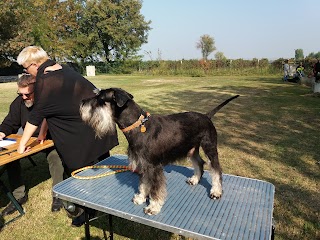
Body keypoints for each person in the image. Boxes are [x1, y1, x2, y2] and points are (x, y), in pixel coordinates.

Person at [16, 46, 119, 227]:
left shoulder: (45, 79)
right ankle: (104, 202)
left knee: (81, 175)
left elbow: (37, 113)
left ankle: (87, 211)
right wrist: (42, 133)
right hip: (98, 126)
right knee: (101, 169)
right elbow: (51, 106)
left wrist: (22, 143)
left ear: (33, 64)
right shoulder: (63, 69)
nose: (27, 72)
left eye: (26, 68)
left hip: (80, 132)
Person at [0, 74, 64, 215]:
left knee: (55, 155)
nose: (24, 98)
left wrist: (37, 142)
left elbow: (55, 126)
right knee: (11, 158)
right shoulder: (19, 102)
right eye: (20, 94)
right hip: (27, 139)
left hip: (49, 138)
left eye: (27, 94)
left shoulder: (48, 102)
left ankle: (58, 194)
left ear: (37, 90)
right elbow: (10, 122)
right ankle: (19, 196)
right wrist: (1, 132)